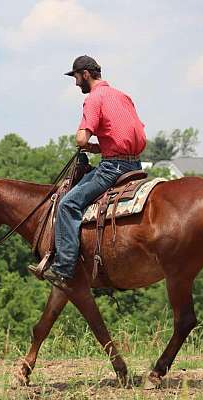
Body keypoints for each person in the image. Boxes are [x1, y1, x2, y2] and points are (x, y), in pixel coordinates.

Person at [39, 55, 147, 290]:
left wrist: (85, 143)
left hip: (113, 168)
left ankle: (64, 267)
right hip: (135, 165)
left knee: (68, 204)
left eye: (76, 77)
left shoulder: (94, 98)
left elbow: (81, 138)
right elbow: (126, 134)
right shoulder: (122, 96)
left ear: (85, 74)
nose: (76, 83)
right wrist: (101, 146)